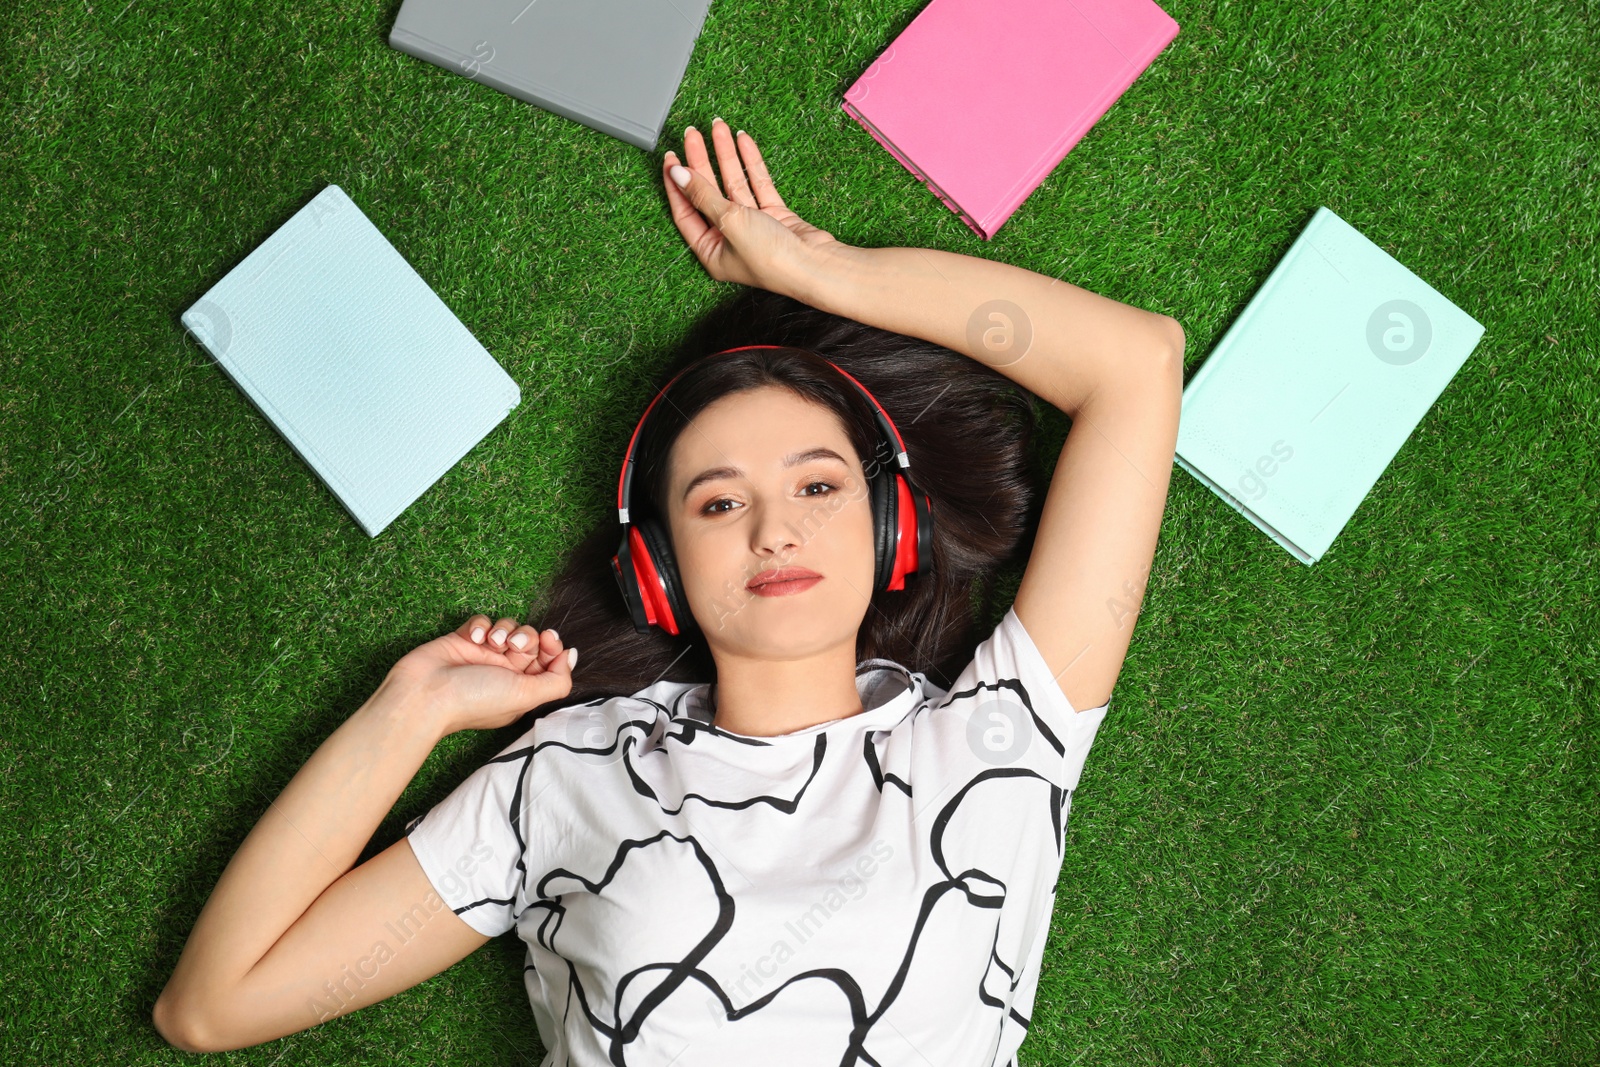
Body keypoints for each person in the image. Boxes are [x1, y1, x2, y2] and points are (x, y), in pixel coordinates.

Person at [152, 117, 1184, 1063]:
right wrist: (412, 706)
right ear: (659, 569)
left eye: (819, 486)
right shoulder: (566, 779)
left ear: (892, 529)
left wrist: (823, 271)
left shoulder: (997, 739)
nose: (776, 527)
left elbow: (1137, 365)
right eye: (719, 505)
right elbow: (211, 1005)